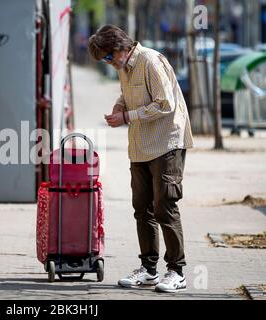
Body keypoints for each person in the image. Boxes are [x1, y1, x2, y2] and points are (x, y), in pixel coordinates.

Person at [88, 25, 194, 293]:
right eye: (104, 60)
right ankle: (148, 270)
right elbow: (129, 94)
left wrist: (127, 117)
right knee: (142, 209)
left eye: (109, 57)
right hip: (140, 146)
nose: (109, 63)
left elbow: (165, 104)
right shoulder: (125, 67)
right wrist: (120, 106)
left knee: (164, 207)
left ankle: (176, 271)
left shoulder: (150, 60)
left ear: (121, 46)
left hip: (166, 143)